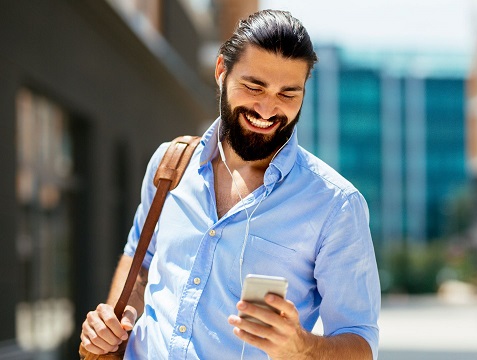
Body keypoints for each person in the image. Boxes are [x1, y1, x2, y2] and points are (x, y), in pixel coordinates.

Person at [80, 9, 380, 360]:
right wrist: (120, 317)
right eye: (254, 87)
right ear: (221, 71)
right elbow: (140, 260)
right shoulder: (169, 165)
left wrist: (302, 347)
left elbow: (360, 343)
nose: (268, 109)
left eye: (288, 94)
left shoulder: (336, 205)